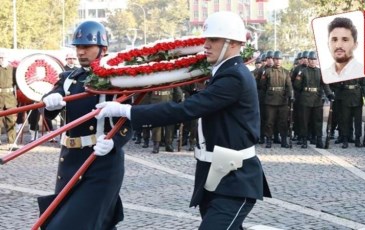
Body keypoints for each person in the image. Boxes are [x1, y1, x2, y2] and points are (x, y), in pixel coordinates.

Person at [95, 11, 271, 230]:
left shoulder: (234, 76)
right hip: (216, 173)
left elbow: (186, 109)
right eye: (206, 39)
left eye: (213, 39)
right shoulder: (223, 72)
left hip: (236, 180)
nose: (205, 44)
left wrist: (128, 111)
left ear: (233, 43)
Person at [37, 20, 132, 229]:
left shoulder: (116, 79)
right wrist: (50, 101)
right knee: (94, 222)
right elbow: (52, 102)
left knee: (74, 223)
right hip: (71, 160)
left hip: (101, 162)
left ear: (103, 49)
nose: (81, 52)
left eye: (86, 47)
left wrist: (114, 142)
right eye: (78, 47)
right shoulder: (69, 78)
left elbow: (128, 120)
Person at [294, 51, 334, 148]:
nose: (312, 61)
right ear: (308, 60)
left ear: (317, 61)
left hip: (317, 99)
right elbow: (297, 86)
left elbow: (325, 85)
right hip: (305, 99)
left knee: (318, 120)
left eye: (314, 60)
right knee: (304, 120)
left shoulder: (320, 72)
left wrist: (329, 94)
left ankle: (318, 139)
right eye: (311, 60)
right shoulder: (302, 71)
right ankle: (304, 139)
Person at [260, 50, 293, 148]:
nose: (278, 61)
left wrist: (290, 96)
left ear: (281, 60)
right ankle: (269, 140)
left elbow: (289, 86)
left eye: (279, 59)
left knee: (283, 122)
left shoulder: (286, 72)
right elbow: (262, 85)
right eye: (276, 59)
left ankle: (283, 140)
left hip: (282, 100)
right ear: (273, 60)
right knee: (269, 121)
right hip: (270, 100)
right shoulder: (267, 71)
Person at [322, 17, 364, 84]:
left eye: (345, 40)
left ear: (355, 45)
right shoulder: (324, 75)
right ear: (328, 45)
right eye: (334, 40)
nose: (338, 45)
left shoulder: (363, 72)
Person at [0, 50, 18, 150]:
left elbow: (20, 84)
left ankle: (12, 143)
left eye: (3, 57)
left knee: (11, 120)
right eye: (0, 58)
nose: (1, 60)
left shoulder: (14, 70)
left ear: (7, 58)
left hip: (10, 98)